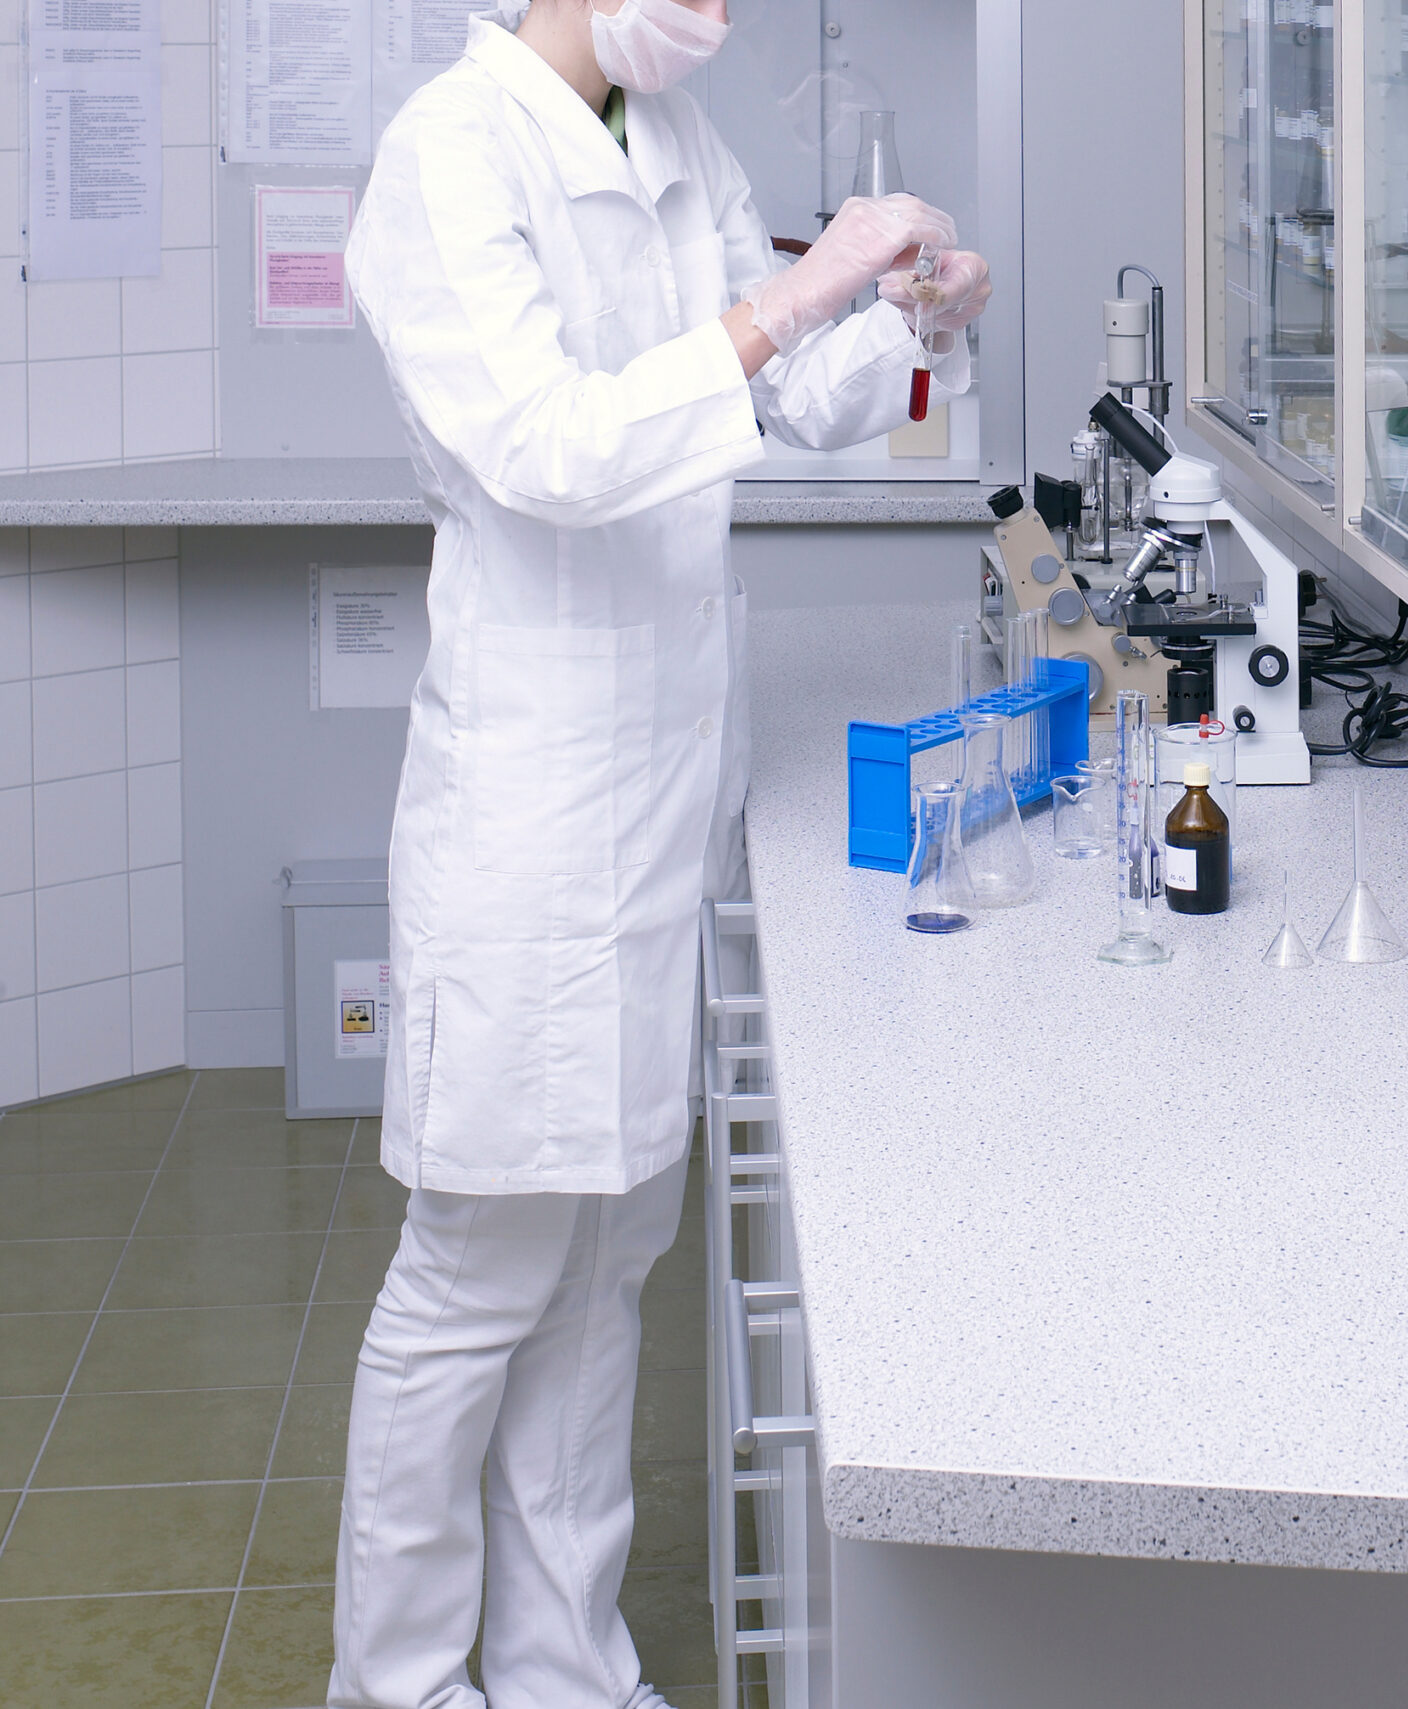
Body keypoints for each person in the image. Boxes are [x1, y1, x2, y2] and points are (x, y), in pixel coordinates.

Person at [332, 0, 990, 1701]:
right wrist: (788, 294)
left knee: (608, 1256)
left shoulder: (668, 139)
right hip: (530, 806)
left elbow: (780, 404)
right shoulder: (449, 154)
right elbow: (555, 445)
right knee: (476, 1266)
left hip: (653, 789)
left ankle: (566, 1663)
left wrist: (910, 322)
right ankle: (397, 1683)